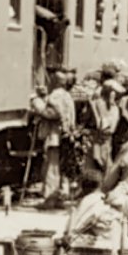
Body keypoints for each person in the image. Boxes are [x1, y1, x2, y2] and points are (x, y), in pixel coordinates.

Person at [30, 72, 77, 208]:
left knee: (51, 168)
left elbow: (51, 113)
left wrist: (37, 102)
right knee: (61, 168)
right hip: (66, 135)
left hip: (54, 136)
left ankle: (50, 199)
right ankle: (60, 198)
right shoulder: (67, 95)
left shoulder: (56, 95)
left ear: (55, 82)